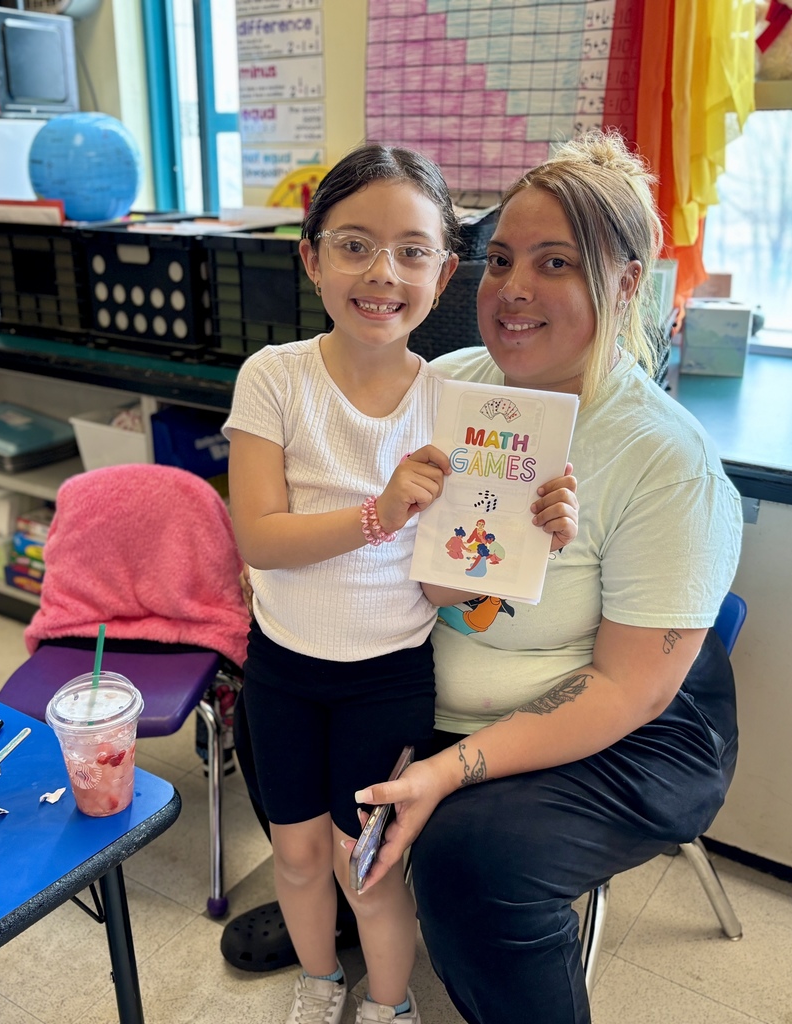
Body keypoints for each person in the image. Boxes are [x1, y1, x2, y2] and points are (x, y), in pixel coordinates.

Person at [224, 130, 743, 1024]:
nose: (514, 289)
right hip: (418, 683)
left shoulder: (667, 460)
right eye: (503, 258)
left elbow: (628, 686)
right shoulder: (459, 387)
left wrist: (452, 771)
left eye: (556, 263)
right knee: (288, 743)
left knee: (472, 858)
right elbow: (418, 556)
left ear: (625, 285)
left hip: (625, 723)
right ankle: (337, 909)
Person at [221, 143, 579, 1024]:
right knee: (297, 858)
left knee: (366, 864)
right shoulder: (275, 378)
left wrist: (526, 545)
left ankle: (389, 1007)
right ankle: (317, 985)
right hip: (281, 670)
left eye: (413, 251)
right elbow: (261, 540)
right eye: (355, 245)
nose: (383, 273)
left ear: (445, 271)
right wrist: (379, 513)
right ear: (311, 256)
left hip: (387, 676)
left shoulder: (456, 405)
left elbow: (453, 591)